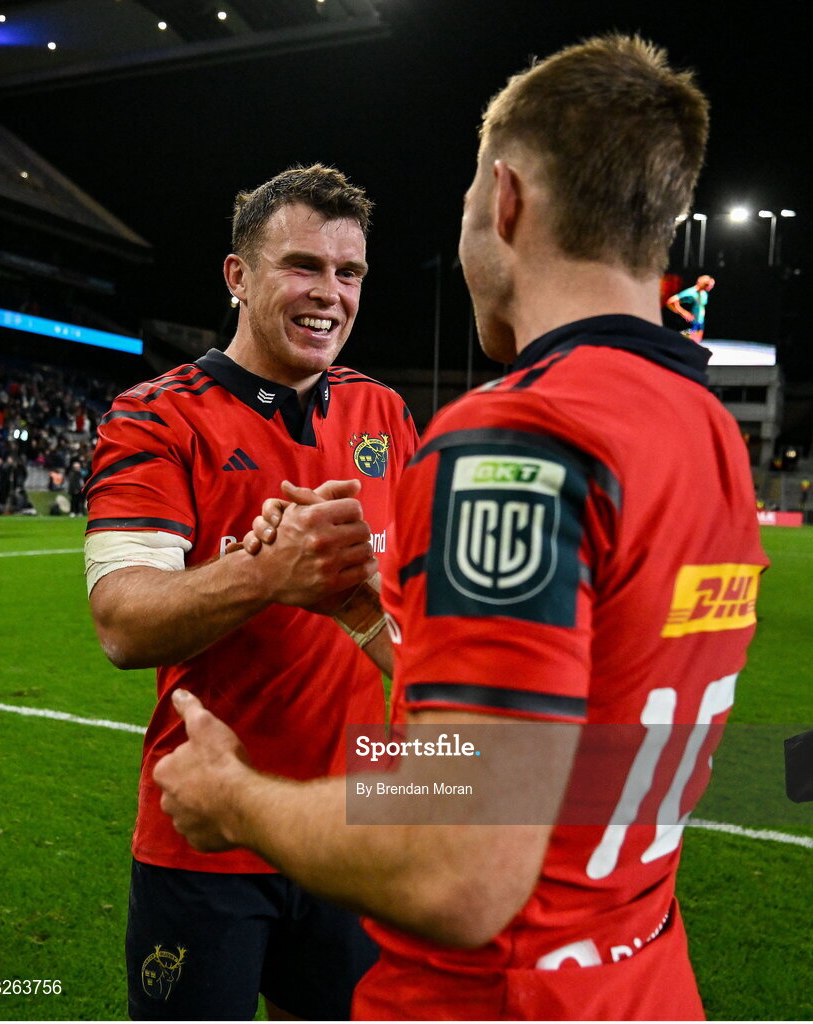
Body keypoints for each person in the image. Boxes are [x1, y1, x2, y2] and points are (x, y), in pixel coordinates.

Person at [154, 35, 769, 1021]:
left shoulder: (514, 434)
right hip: (641, 976)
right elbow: (559, 746)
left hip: (499, 996)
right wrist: (374, 625)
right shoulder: (700, 425)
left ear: (505, 200)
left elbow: (464, 867)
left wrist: (238, 798)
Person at [84, 165, 418, 1020]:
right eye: (303, 266)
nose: (330, 295)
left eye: (350, 275)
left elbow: (427, 623)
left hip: (355, 829)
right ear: (238, 276)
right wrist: (266, 574)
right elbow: (122, 621)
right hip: (208, 838)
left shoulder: (384, 416)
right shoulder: (155, 418)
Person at [666, 273, 715, 342]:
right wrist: (683, 312)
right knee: (684, 342)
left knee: (696, 342)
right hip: (689, 323)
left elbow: (702, 307)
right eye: (707, 285)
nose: (710, 287)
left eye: (711, 285)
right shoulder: (690, 293)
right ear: (701, 283)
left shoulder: (704, 294)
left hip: (699, 322)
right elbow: (670, 302)